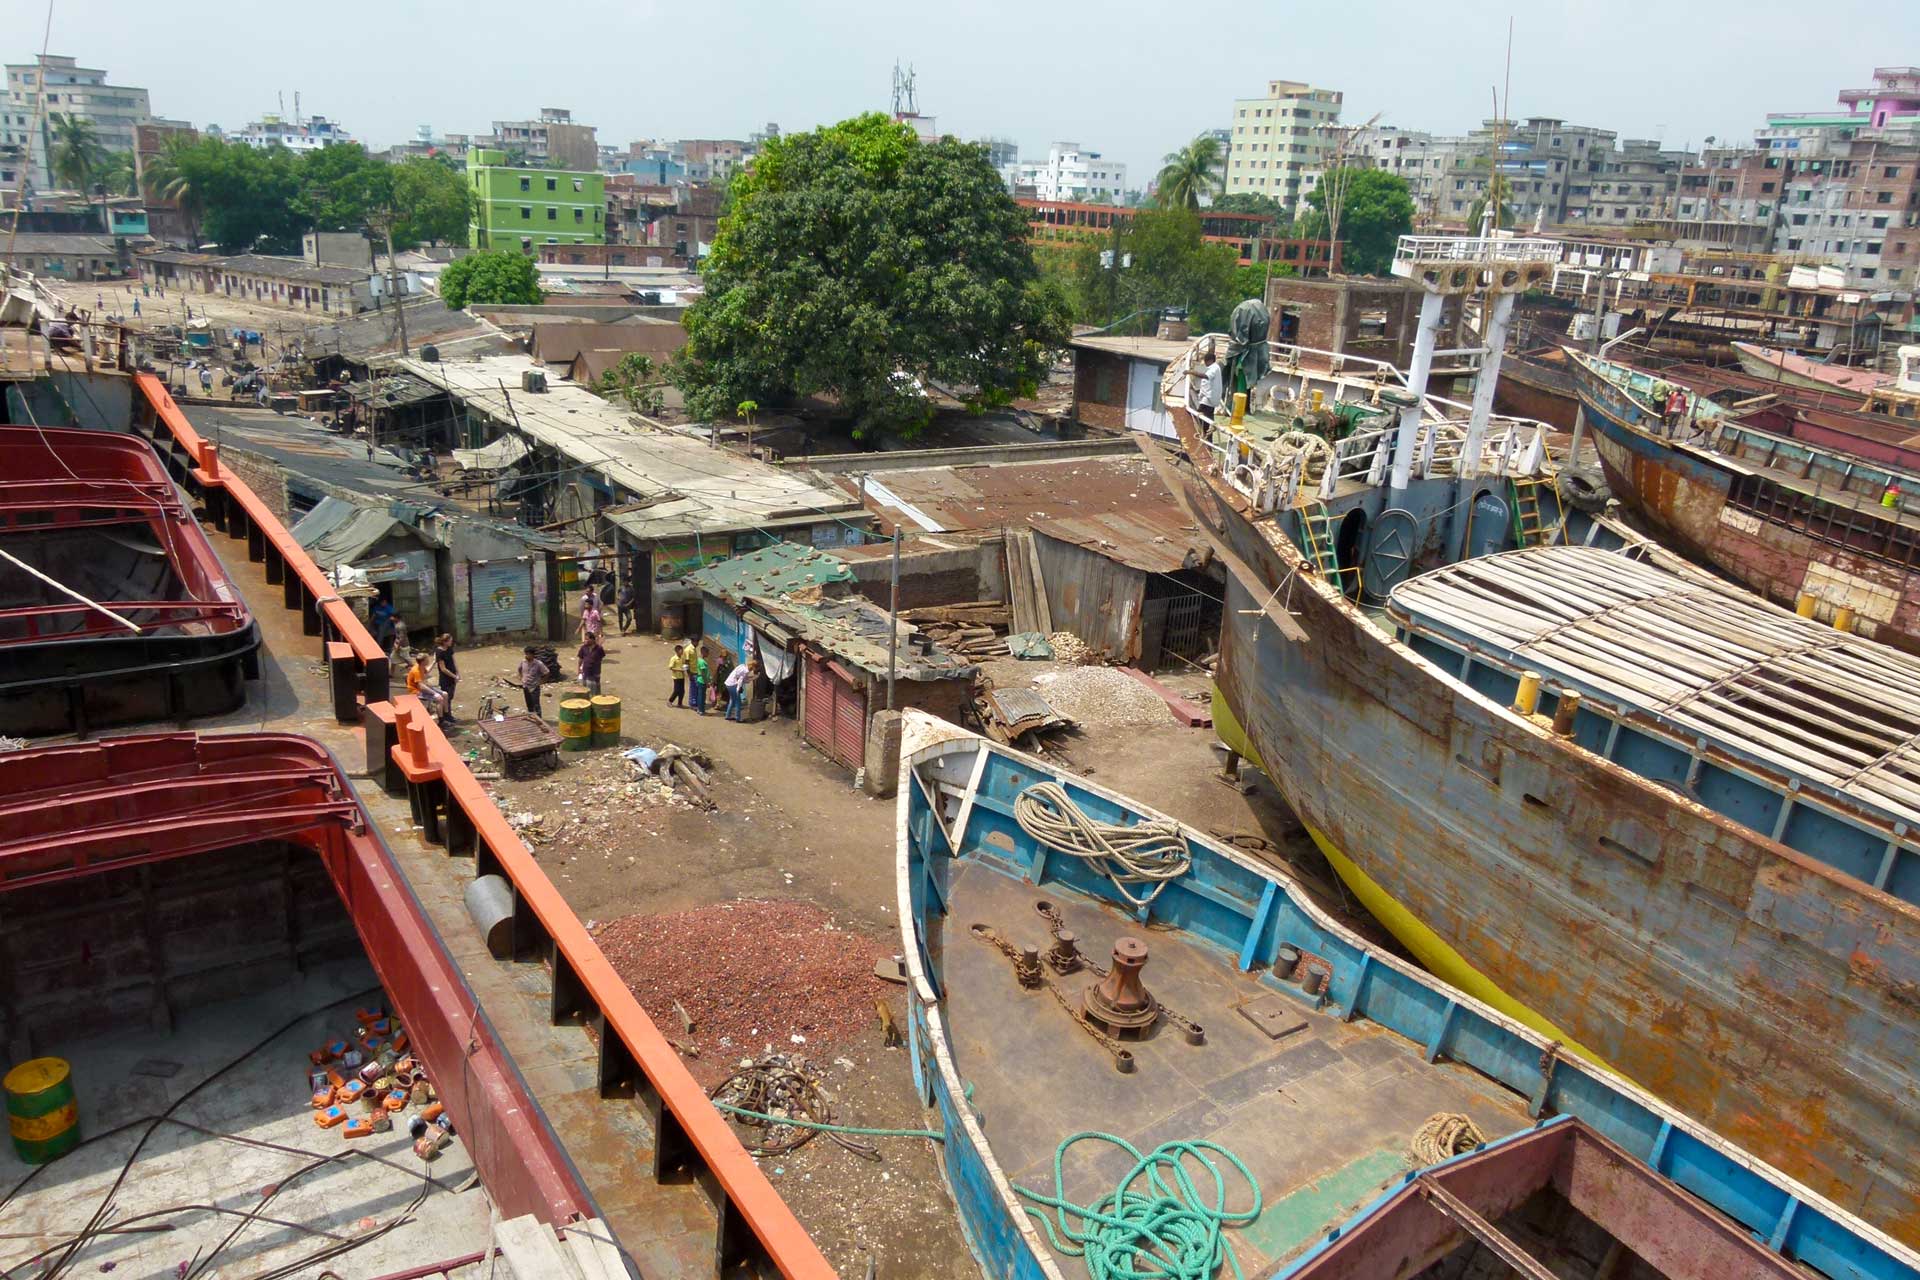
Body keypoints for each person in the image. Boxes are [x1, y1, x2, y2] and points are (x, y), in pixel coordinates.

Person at [515, 646, 549, 717]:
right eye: (526, 654)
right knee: (529, 704)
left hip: (534, 687)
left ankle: (539, 720)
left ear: (533, 655)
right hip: (525, 687)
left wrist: (541, 682)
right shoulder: (523, 662)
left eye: (528, 654)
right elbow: (519, 669)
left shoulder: (538, 664)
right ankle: (531, 718)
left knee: (536, 705)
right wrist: (521, 678)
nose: (526, 655)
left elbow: (547, 673)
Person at [1195, 350, 1224, 428]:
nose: (1205, 363)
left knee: (1199, 416)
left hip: (1208, 400)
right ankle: (1208, 437)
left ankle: (1205, 434)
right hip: (1210, 399)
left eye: (1205, 361)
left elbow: (1206, 376)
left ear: (1210, 360)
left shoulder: (1214, 368)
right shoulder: (1215, 368)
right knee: (1208, 419)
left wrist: (1191, 372)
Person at [432, 633, 459, 719]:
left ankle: (449, 716)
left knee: (450, 697)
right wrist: (454, 676)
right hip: (445, 678)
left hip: (453, 675)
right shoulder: (439, 652)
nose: (451, 642)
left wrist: (457, 673)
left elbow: (454, 661)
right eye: (450, 641)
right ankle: (446, 716)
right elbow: (443, 669)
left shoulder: (449, 649)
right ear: (445, 642)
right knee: (446, 697)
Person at [690, 649, 711, 716]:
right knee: (702, 696)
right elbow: (703, 674)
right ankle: (701, 710)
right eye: (707, 652)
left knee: (701, 695)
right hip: (702, 681)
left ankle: (700, 709)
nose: (708, 654)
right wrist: (706, 682)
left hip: (700, 680)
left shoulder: (699, 660)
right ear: (703, 652)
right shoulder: (702, 662)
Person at [668, 641, 688, 706]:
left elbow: (684, 664)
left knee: (682, 691)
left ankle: (680, 703)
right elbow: (670, 667)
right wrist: (680, 670)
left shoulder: (682, 658)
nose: (682, 651)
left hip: (682, 677)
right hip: (676, 677)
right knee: (676, 690)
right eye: (681, 650)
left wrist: (685, 667)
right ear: (677, 651)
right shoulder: (673, 658)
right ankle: (670, 701)